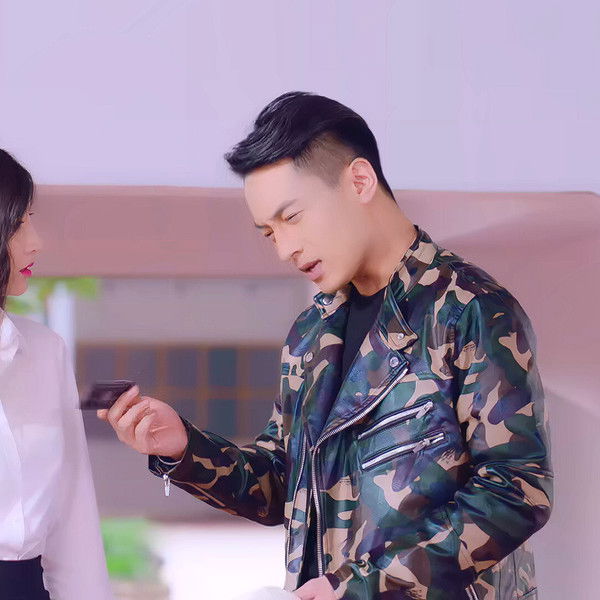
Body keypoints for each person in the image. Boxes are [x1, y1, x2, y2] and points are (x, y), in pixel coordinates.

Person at [99, 92, 552, 600]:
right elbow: (281, 485)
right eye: (268, 232)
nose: (284, 248)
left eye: (292, 217)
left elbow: (517, 490)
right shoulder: (311, 333)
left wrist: (363, 588)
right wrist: (183, 447)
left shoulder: (468, 310)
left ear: (359, 181)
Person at [0, 149, 113, 599]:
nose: (36, 242)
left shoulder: (46, 351)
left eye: (30, 219)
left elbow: (73, 520)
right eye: (17, 222)